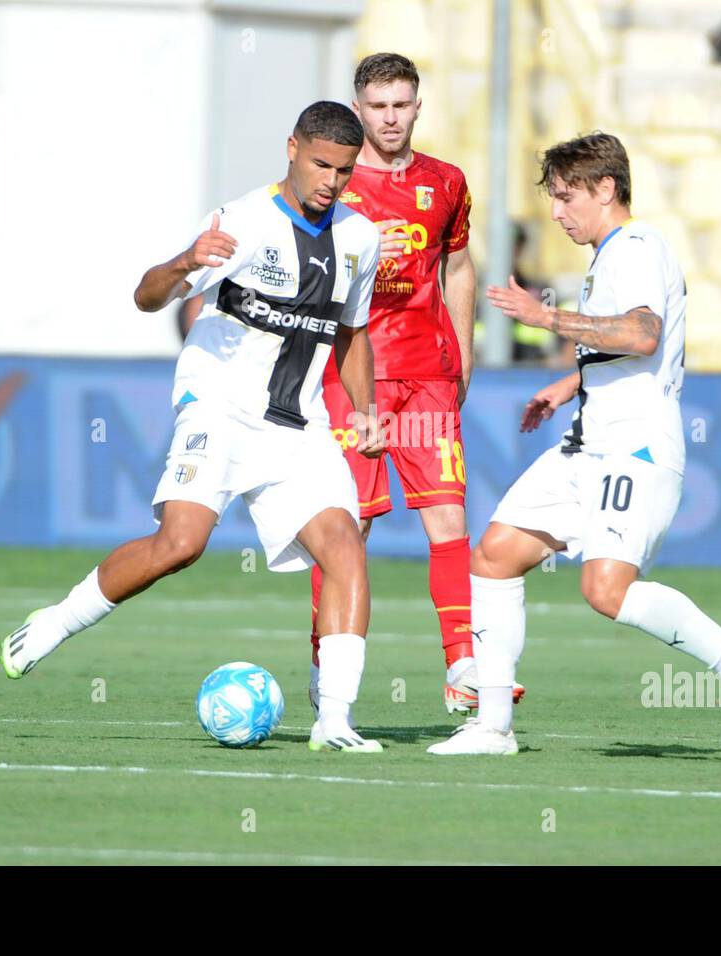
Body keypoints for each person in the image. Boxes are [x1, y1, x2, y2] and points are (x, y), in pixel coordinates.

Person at [0, 101, 388, 754]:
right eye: (321, 164)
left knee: (346, 547)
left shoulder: (360, 239)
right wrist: (185, 261)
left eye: (344, 171)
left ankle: (335, 721)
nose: (331, 181)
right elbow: (146, 296)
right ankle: (55, 622)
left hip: (297, 428)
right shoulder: (243, 221)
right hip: (219, 407)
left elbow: (351, 334)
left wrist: (367, 408)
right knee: (180, 545)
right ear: (291, 148)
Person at [427, 133, 721, 756]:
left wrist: (547, 319)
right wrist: (571, 382)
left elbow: (644, 334)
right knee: (494, 555)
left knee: (605, 590)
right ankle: (492, 727)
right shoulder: (612, 254)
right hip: (588, 439)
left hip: (634, 446)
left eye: (567, 198)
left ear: (605, 189)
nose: (558, 212)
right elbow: (635, 345)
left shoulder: (636, 246)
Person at [308, 53, 522, 715]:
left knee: (449, 517)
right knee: (348, 531)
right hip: (353, 375)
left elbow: (458, 268)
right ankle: (327, 675)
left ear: (418, 105)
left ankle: (462, 664)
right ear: (358, 106)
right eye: (377, 106)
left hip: (428, 375)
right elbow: (306, 276)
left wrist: (461, 352)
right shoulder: (330, 187)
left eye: (401, 104)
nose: (390, 117)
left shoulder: (447, 182)